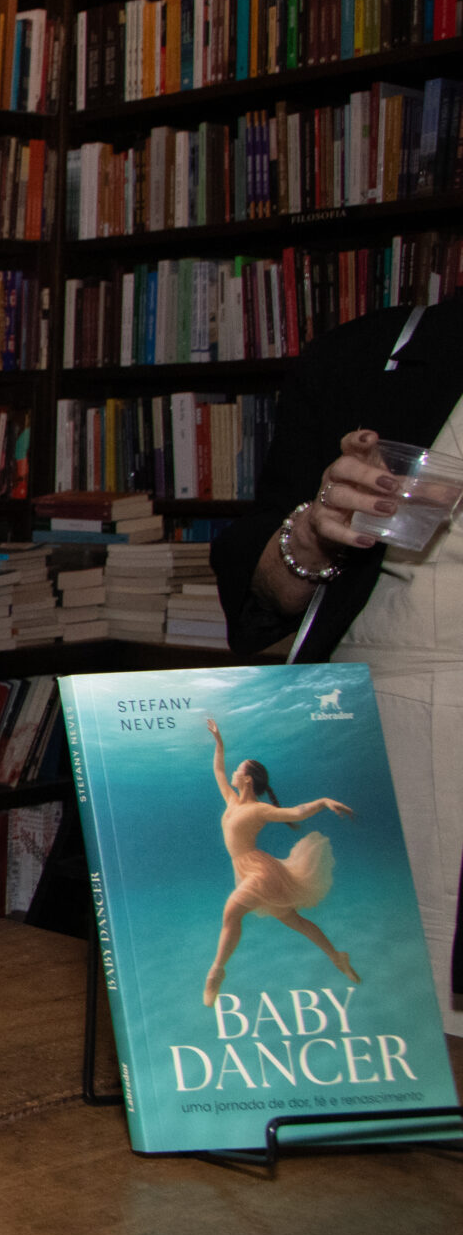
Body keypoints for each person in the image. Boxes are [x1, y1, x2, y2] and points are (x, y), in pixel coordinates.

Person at [210, 293, 463, 1034]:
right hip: (397, 741)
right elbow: (262, 596)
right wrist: (314, 533)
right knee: (398, 1026)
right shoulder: (365, 358)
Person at [201, 717, 359, 1006]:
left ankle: (216, 974)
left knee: (231, 912)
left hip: (259, 872)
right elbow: (218, 770)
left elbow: (297, 813)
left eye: (239, 769)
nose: (234, 772)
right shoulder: (232, 801)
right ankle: (338, 957)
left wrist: (324, 801)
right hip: (246, 869)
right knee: (294, 920)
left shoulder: (260, 810)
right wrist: (219, 743)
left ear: (248, 779)